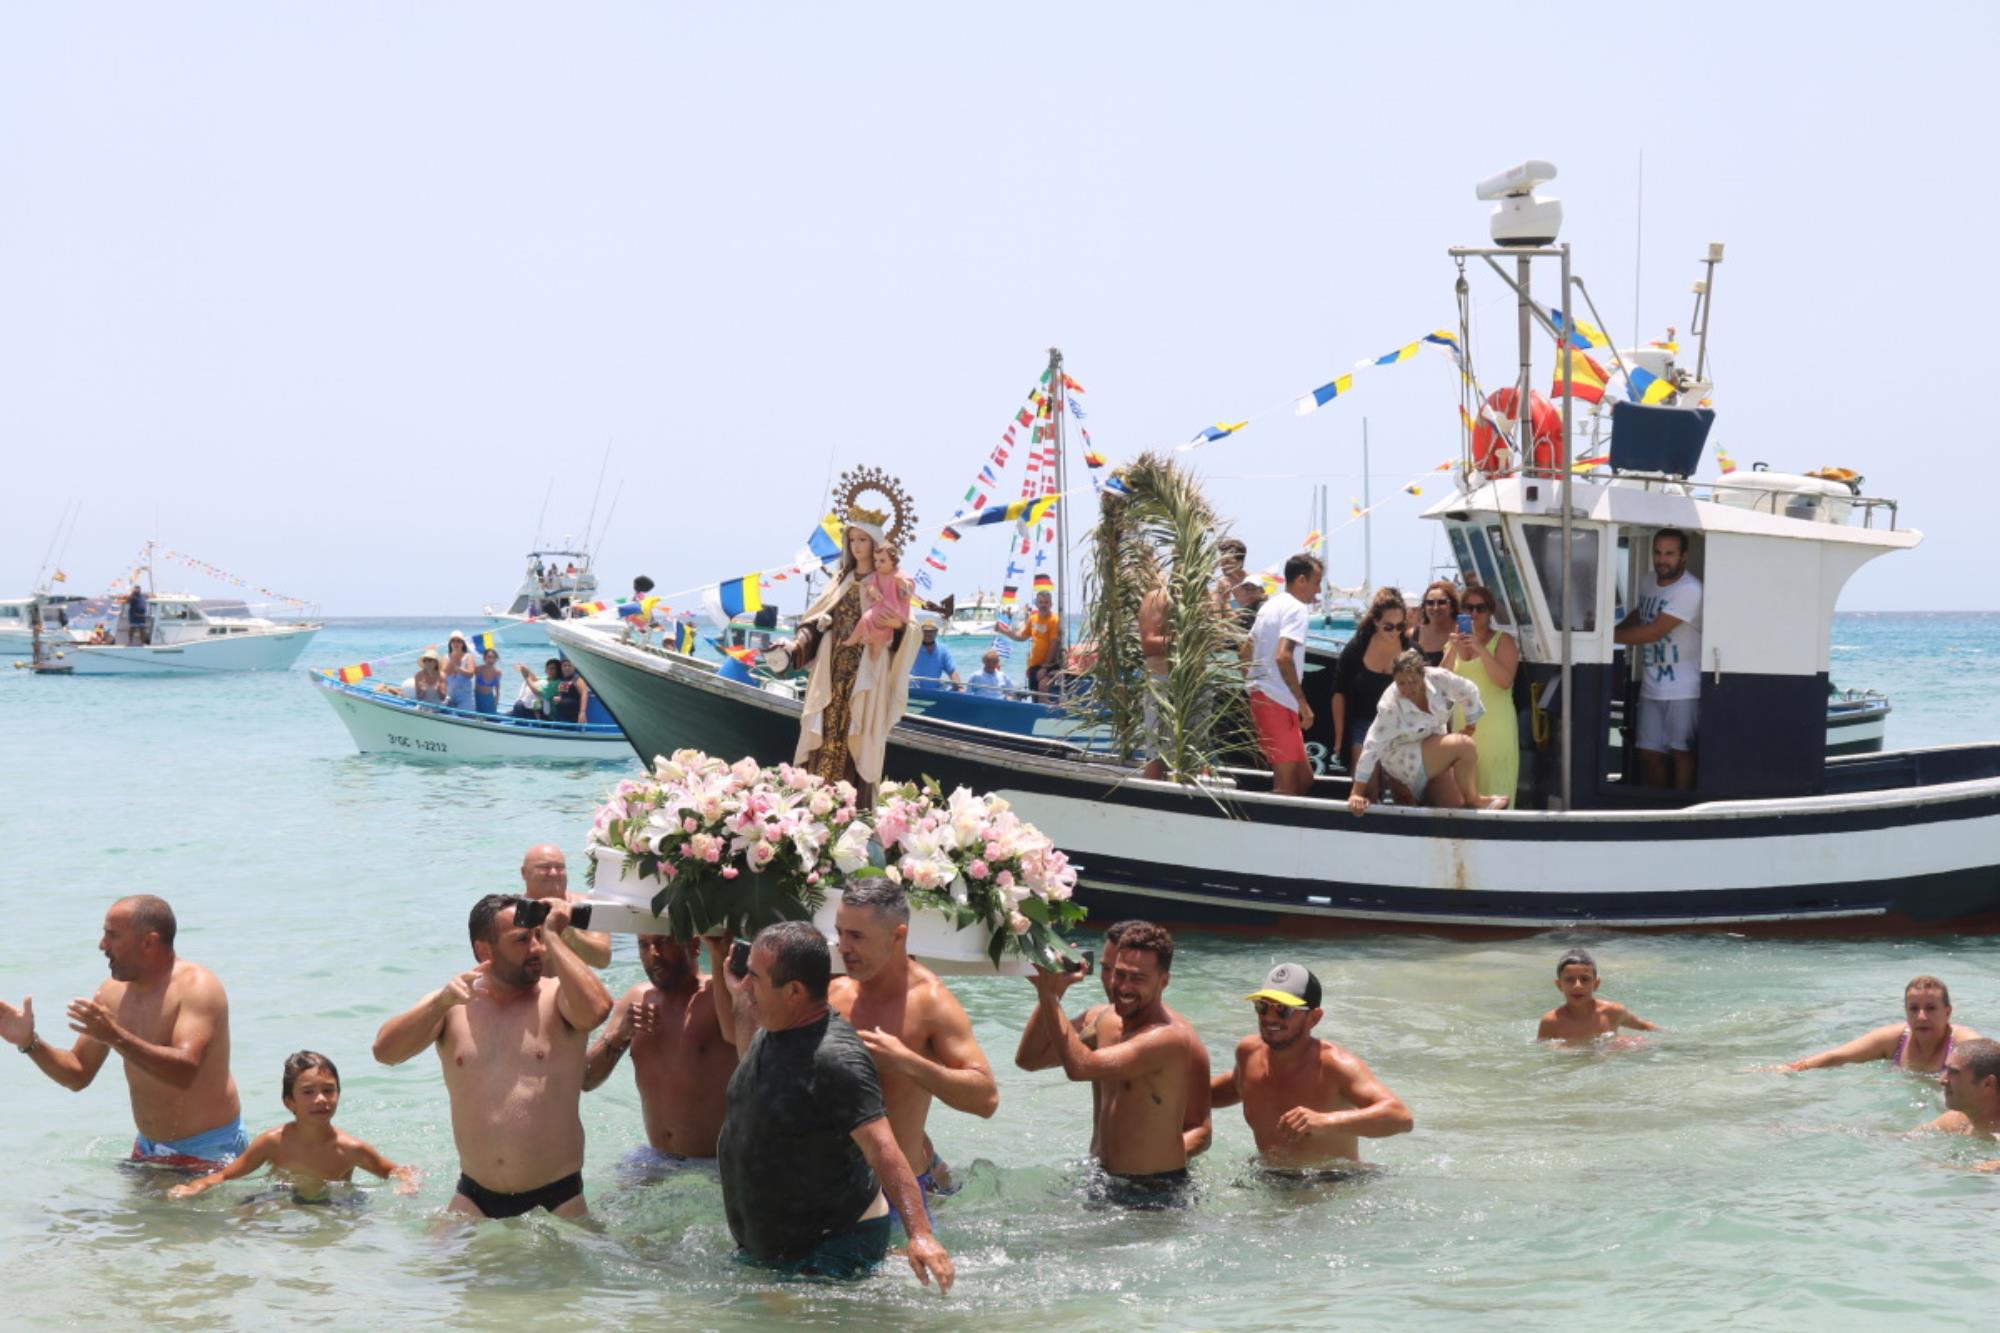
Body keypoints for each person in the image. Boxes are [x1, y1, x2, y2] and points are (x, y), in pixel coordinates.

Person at [719, 922, 953, 1290]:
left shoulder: (835, 1058)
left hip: (831, 1246)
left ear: (794, 990)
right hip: (775, 1246)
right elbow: (756, 1075)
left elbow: (883, 1148)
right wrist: (740, 999)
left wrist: (921, 1234)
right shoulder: (776, 1028)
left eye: (755, 978)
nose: (747, 986)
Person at [371, 893, 613, 1220]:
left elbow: (598, 1010)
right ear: (484, 950)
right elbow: (385, 1053)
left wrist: (556, 936)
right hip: (474, 1197)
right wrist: (439, 1004)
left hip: (558, 1199)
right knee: (429, 1269)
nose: (537, 949)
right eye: (522, 940)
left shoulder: (557, 997)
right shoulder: (452, 1003)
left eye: (539, 938)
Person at [0, 896, 246, 1171]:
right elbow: (78, 1074)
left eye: (112, 936)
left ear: (149, 942)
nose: (102, 945)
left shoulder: (197, 988)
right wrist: (29, 1043)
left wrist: (115, 1036)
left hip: (210, 1151)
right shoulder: (112, 992)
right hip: (147, 1149)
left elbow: (185, 1071)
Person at [827, 883, 999, 1224]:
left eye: (857, 937)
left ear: (898, 935)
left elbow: (986, 1100)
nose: (843, 947)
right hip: (832, 1185)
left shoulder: (930, 1004)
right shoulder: (834, 990)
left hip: (896, 1192)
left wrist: (907, 1062)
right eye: (839, 933)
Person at [1024, 922, 1202, 1205]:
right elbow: (1030, 1059)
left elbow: (1080, 1067)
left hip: (1155, 1191)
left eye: (1138, 978)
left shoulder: (1171, 1038)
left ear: (1163, 981)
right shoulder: (1105, 1019)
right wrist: (1054, 991)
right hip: (1100, 1176)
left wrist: (1048, 994)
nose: (1122, 986)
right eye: (1117, 973)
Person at [782, 492, 923, 800]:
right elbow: (817, 621)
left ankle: (852, 807)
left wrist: (896, 627)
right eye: (853, 540)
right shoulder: (840, 580)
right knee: (826, 731)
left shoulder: (888, 582)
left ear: (877, 545)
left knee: (857, 736)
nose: (857, 547)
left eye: (863, 540)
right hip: (832, 671)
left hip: (867, 670)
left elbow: (911, 626)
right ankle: (816, 803)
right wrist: (795, 646)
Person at [1211, 964, 1413, 1167]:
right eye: (1262, 1006)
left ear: (1314, 1018)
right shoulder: (1248, 1054)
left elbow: (1400, 1117)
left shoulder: (1335, 1066)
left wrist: (1325, 1121)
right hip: (1269, 1178)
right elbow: (1227, 1089)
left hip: (1333, 1184)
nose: (1269, 1017)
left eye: (1283, 1009)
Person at [169, 1052, 417, 1202]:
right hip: (283, 1197)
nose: (320, 1099)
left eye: (328, 1090)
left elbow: (397, 1171)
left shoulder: (350, 1149)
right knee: (244, 1219)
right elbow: (226, 1175)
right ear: (290, 1102)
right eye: (308, 1092)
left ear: (338, 1095)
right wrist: (196, 1186)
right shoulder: (272, 1143)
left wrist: (407, 1183)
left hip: (335, 1201)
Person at [584, 935, 737, 1167]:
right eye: (643, 945)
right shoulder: (636, 998)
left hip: (716, 1163)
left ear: (695, 946)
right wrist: (620, 1034)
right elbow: (586, 1079)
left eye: (664, 942)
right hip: (655, 1157)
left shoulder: (718, 996)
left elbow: (742, 1039)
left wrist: (719, 957)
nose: (653, 953)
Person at [1347, 649, 1504, 815]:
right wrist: (1355, 793)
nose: (1408, 689)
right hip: (1401, 761)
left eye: (1413, 681)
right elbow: (1372, 746)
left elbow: (1469, 690)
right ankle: (1475, 799)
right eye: (1401, 683)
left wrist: (1471, 724)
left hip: (1433, 753)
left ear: (1424, 675)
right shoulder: (1389, 706)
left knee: (1454, 810)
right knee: (1465, 745)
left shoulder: (1439, 678)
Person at [1613, 528, 1704, 789]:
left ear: (1684, 556)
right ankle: (1658, 805)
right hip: (1652, 686)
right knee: (1648, 753)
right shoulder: (1647, 582)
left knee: (1681, 752)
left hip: (1684, 689)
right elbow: (1642, 614)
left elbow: (1653, 632)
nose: (1662, 559)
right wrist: (1612, 630)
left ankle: (1679, 812)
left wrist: (1605, 638)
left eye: (1669, 554)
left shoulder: (1690, 590)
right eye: (1657, 552)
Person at [1776, 975, 1978, 1076]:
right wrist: (1789, 1069)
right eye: (1914, 1008)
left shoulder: (1964, 1043)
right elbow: (1837, 1056)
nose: (1921, 1016)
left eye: (1931, 1008)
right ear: (1906, 1011)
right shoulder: (1894, 1039)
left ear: (1948, 1012)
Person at [1248, 554, 1323, 796]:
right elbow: (1284, 655)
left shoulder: (1269, 606)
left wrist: (1254, 684)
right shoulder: (1297, 609)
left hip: (1269, 699)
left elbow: (1244, 650)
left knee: (1304, 779)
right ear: (1301, 580)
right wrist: (1303, 703)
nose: (1318, 590)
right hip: (1277, 702)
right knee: (1287, 784)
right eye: (1316, 582)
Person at [1443, 587, 1521, 806]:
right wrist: (1453, 649)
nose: (1474, 613)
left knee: (1495, 789)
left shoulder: (1502, 640)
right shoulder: (1453, 643)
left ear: (1490, 612)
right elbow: (1440, 684)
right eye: (1468, 608)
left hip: (1496, 728)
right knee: (1464, 795)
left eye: (1481, 608)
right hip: (1464, 729)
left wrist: (1480, 648)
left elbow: (1504, 682)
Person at [1332, 588, 1411, 778]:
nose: (1394, 632)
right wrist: (1339, 738)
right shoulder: (1357, 647)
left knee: (1402, 792)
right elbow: (1339, 692)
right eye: (1388, 626)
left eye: (1399, 627)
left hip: (1399, 727)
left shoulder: (1410, 650)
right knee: (1365, 786)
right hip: (1363, 725)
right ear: (1376, 621)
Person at [1536, 949, 1659, 1045]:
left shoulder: (1613, 1012)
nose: (1577, 986)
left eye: (1585, 979)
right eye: (1569, 980)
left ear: (1596, 983)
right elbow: (1543, 1051)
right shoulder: (1551, 1022)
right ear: (1559, 985)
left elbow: (1645, 1026)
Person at [519, 844, 612, 968]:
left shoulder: (588, 906)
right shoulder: (511, 911)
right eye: (545, 867)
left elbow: (602, 961)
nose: (553, 873)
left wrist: (568, 929)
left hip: (572, 984)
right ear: (524, 873)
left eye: (560, 867)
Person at [1917, 1038, 2000, 1139]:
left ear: (1987, 1083)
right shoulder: (1957, 1121)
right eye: (1946, 1070)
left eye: (1954, 1072)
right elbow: (1903, 1140)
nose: (1942, 1080)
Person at [845, 541, 913, 652]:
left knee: (884, 626)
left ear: (893, 562)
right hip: (880, 606)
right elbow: (871, 586)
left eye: (882, 561)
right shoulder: (877, 575)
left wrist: (902, 584)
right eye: (875, 560)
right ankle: (857, 638)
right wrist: (874, 592)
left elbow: (907, 590)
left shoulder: (899, 574)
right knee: (866, 618)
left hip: (894, 610)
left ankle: (883, 642)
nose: (877, 564)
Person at [998, 588, 1062, 696]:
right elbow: (1021, 637)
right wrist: (1004, 631)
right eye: (1041, 602)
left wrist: (1045, 667)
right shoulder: (1033, 618)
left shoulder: (1054, 620)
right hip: (1034, 665)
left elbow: (1054, 644)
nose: (1043, 605)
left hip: (1049, 665)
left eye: (1046, 602)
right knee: (1034, 695)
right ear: (1036, 604)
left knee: (1043, 691)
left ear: (1051, 604)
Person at [1411, 581, 1459, 666]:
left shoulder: (1462, 633)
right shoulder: (1412, 635)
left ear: (1452, 606)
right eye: (1430, 603)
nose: (1435, 607)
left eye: (1441, 602)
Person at [909, 622, 962, 688]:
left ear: (936, 632)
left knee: (951, 686)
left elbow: (952, 671)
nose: (929, 634)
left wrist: (960, 687)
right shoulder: (912, 649)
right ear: (920, 632)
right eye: (926, 631)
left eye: (932, 631)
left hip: (935, 689)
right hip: (915, 689)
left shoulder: (943, 650)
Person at [441, 632, 478, 711]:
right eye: (453, 641)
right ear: (450, 643)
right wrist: (453, 659)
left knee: (466, 715)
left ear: (462, 643)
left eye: (458, 641)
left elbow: (471, 674)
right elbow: (443, 674)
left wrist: (459, 669)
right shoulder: (446, 657)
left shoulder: (468, 656)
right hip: (449, 694)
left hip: (464, 695)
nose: (456, 643)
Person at [548, 657, 590, 724]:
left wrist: (582, 712)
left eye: (569, 666)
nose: (567, 668)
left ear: (574, 667)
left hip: (572, 716)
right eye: (564, 666)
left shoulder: (577, 679)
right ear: (561, 668)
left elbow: (584, 693)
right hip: (561, 715)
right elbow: (564, 694)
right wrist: (559, 699)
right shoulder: (562, 679)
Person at [472, 646, 504, 715]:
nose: (491, 660)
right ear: (484, 658)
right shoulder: (478, 669)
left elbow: (497, 689)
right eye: (489, 657)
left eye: (493, 657)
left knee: (493, 719)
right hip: (477, 698)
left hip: (490, 699)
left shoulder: (498, 673)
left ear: (496, 659)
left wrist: (496, 700)